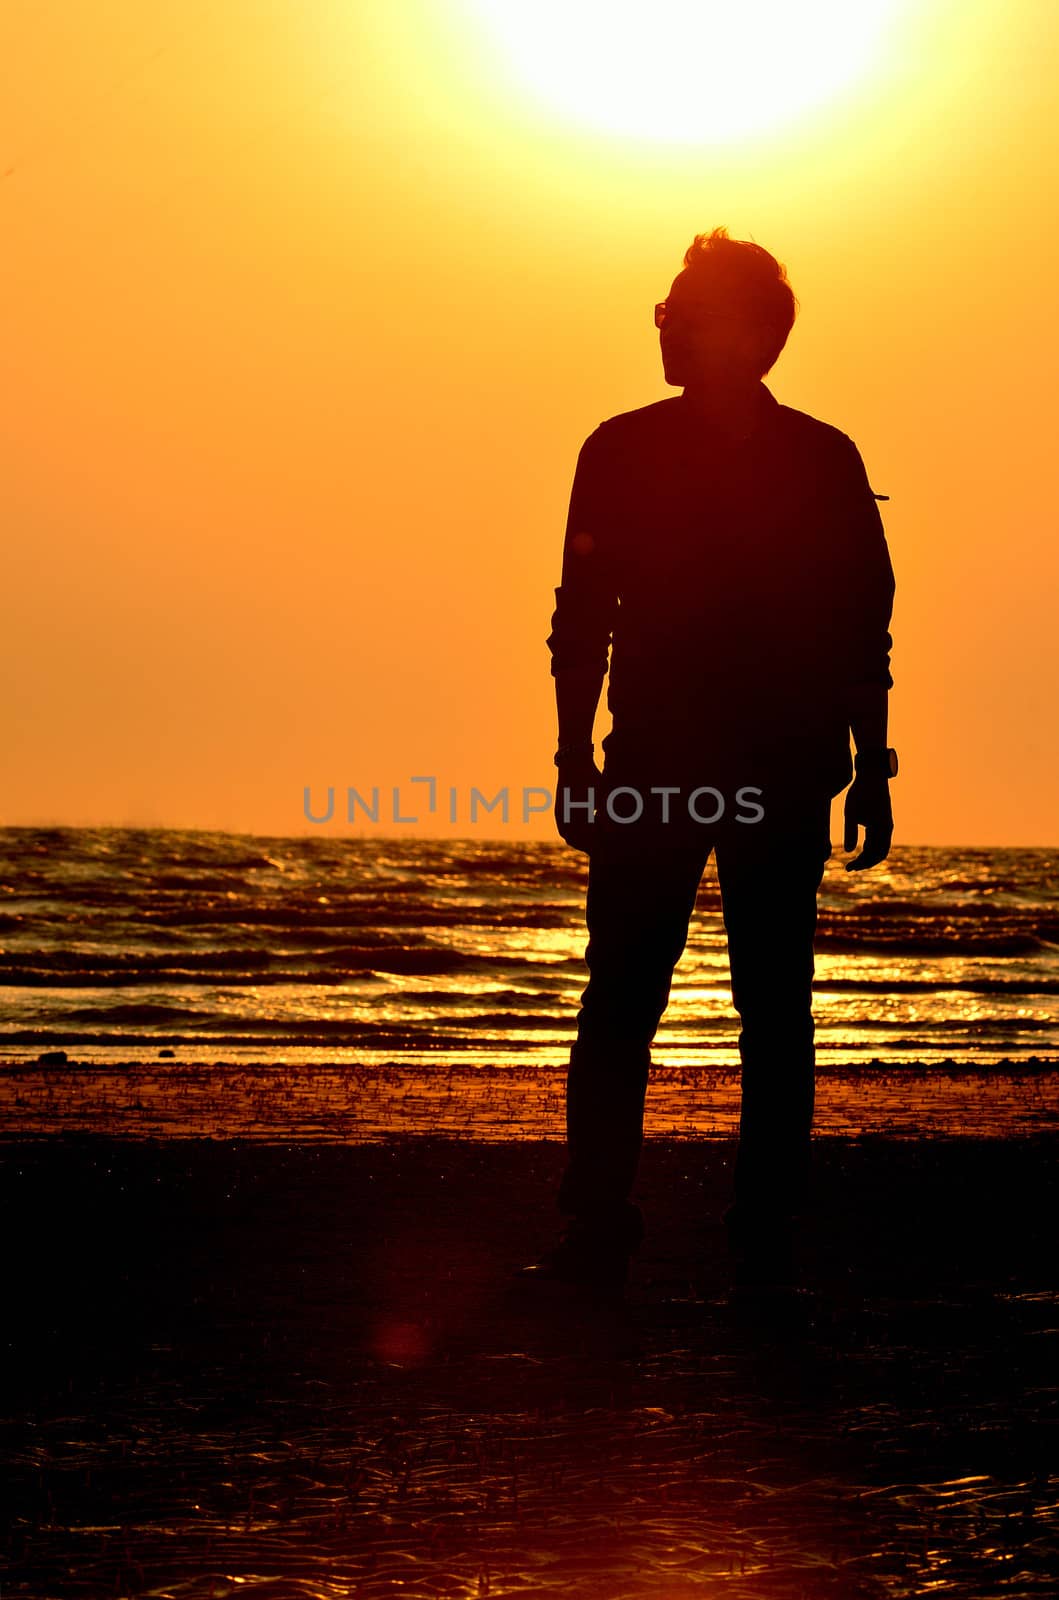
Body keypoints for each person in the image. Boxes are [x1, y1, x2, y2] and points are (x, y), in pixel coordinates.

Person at [518, 227, 897, 1293]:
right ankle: (601, 1225)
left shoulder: (822, 460)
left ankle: (762, 1230)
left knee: (770, 1003)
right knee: (626, 996)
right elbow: (580, 613)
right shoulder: (622, 448)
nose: (665, 324)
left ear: (746, 333)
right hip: (659, 761)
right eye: (663, 309)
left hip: (779, 764)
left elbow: (861, 616)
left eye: (682, 308)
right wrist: (571, 753)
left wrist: (874, 762)